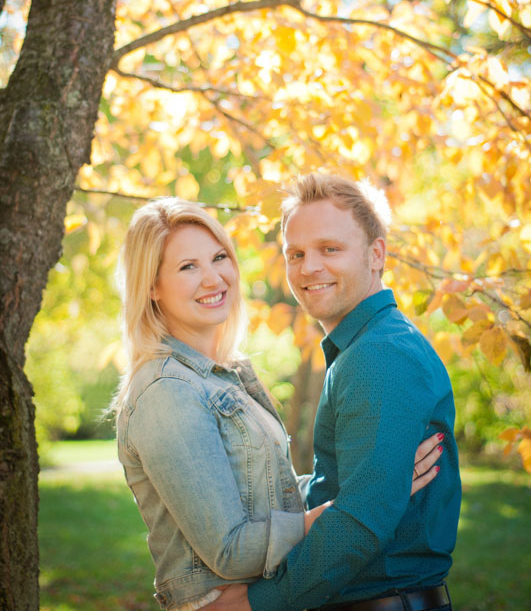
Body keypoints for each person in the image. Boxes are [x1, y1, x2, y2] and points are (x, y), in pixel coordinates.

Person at [115, 196, 443, 611]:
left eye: (219, 257)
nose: (213, 278)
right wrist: (351, 507)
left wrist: (372, 477)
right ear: (151, 286)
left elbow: (262, 492)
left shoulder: (221, 376)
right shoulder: (167, 392)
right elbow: (231, 550)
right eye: (187, 267)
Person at [205, 174, 461, 611]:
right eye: (296, 254)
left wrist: (253, 604)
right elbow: (344, 495)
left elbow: (360, 522)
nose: (308, 268)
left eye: (330, 249)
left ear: (376, 254)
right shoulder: (364, 347)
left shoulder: (380, 355)